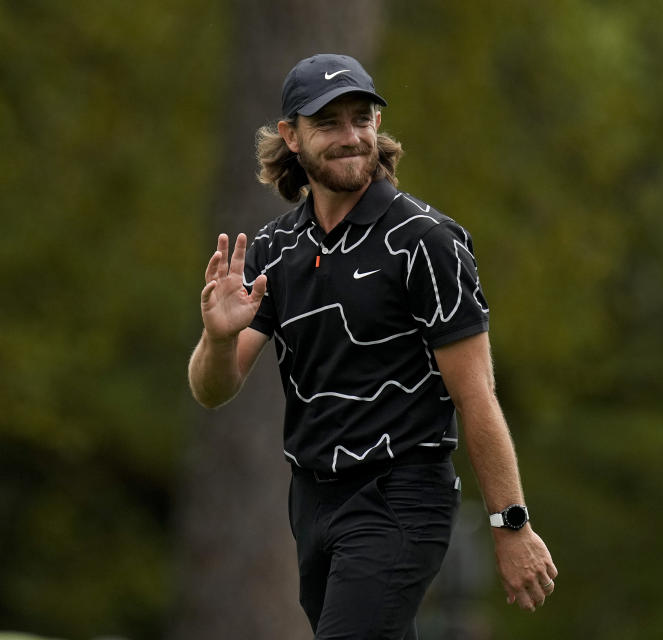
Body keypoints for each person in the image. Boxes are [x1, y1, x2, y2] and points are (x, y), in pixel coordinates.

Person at [188, 53, 557, 639]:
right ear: (291, 136)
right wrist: (216, 335)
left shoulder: (425, 243)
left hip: (400, 497)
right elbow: (214, 388)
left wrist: (510, 524)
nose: (351, 136)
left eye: (362, 118)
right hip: (311, 504)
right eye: (328, 123)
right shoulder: (274, 248)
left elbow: (477, 396)